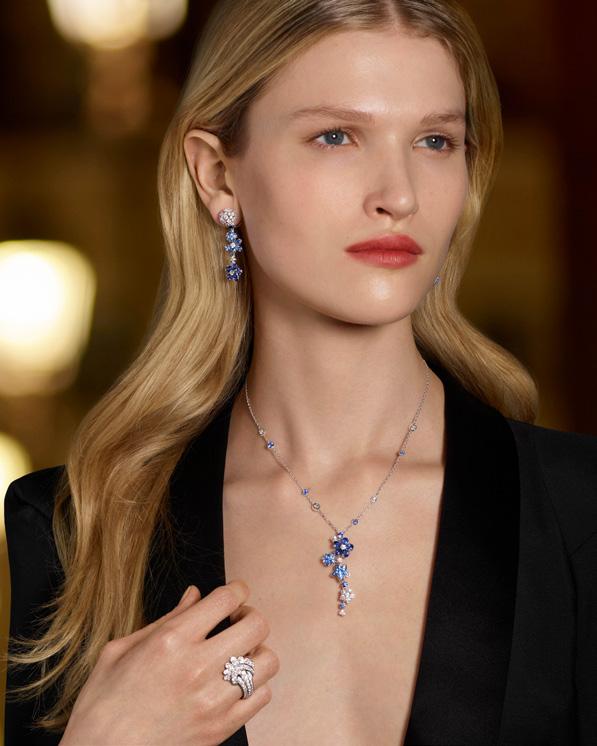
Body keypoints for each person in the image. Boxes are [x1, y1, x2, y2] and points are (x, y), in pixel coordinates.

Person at [4, 0, 597, 744]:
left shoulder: (580, 512)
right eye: (336, 136)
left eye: (435, 141)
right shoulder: (80, 531)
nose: (400, 195)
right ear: (217, 174)